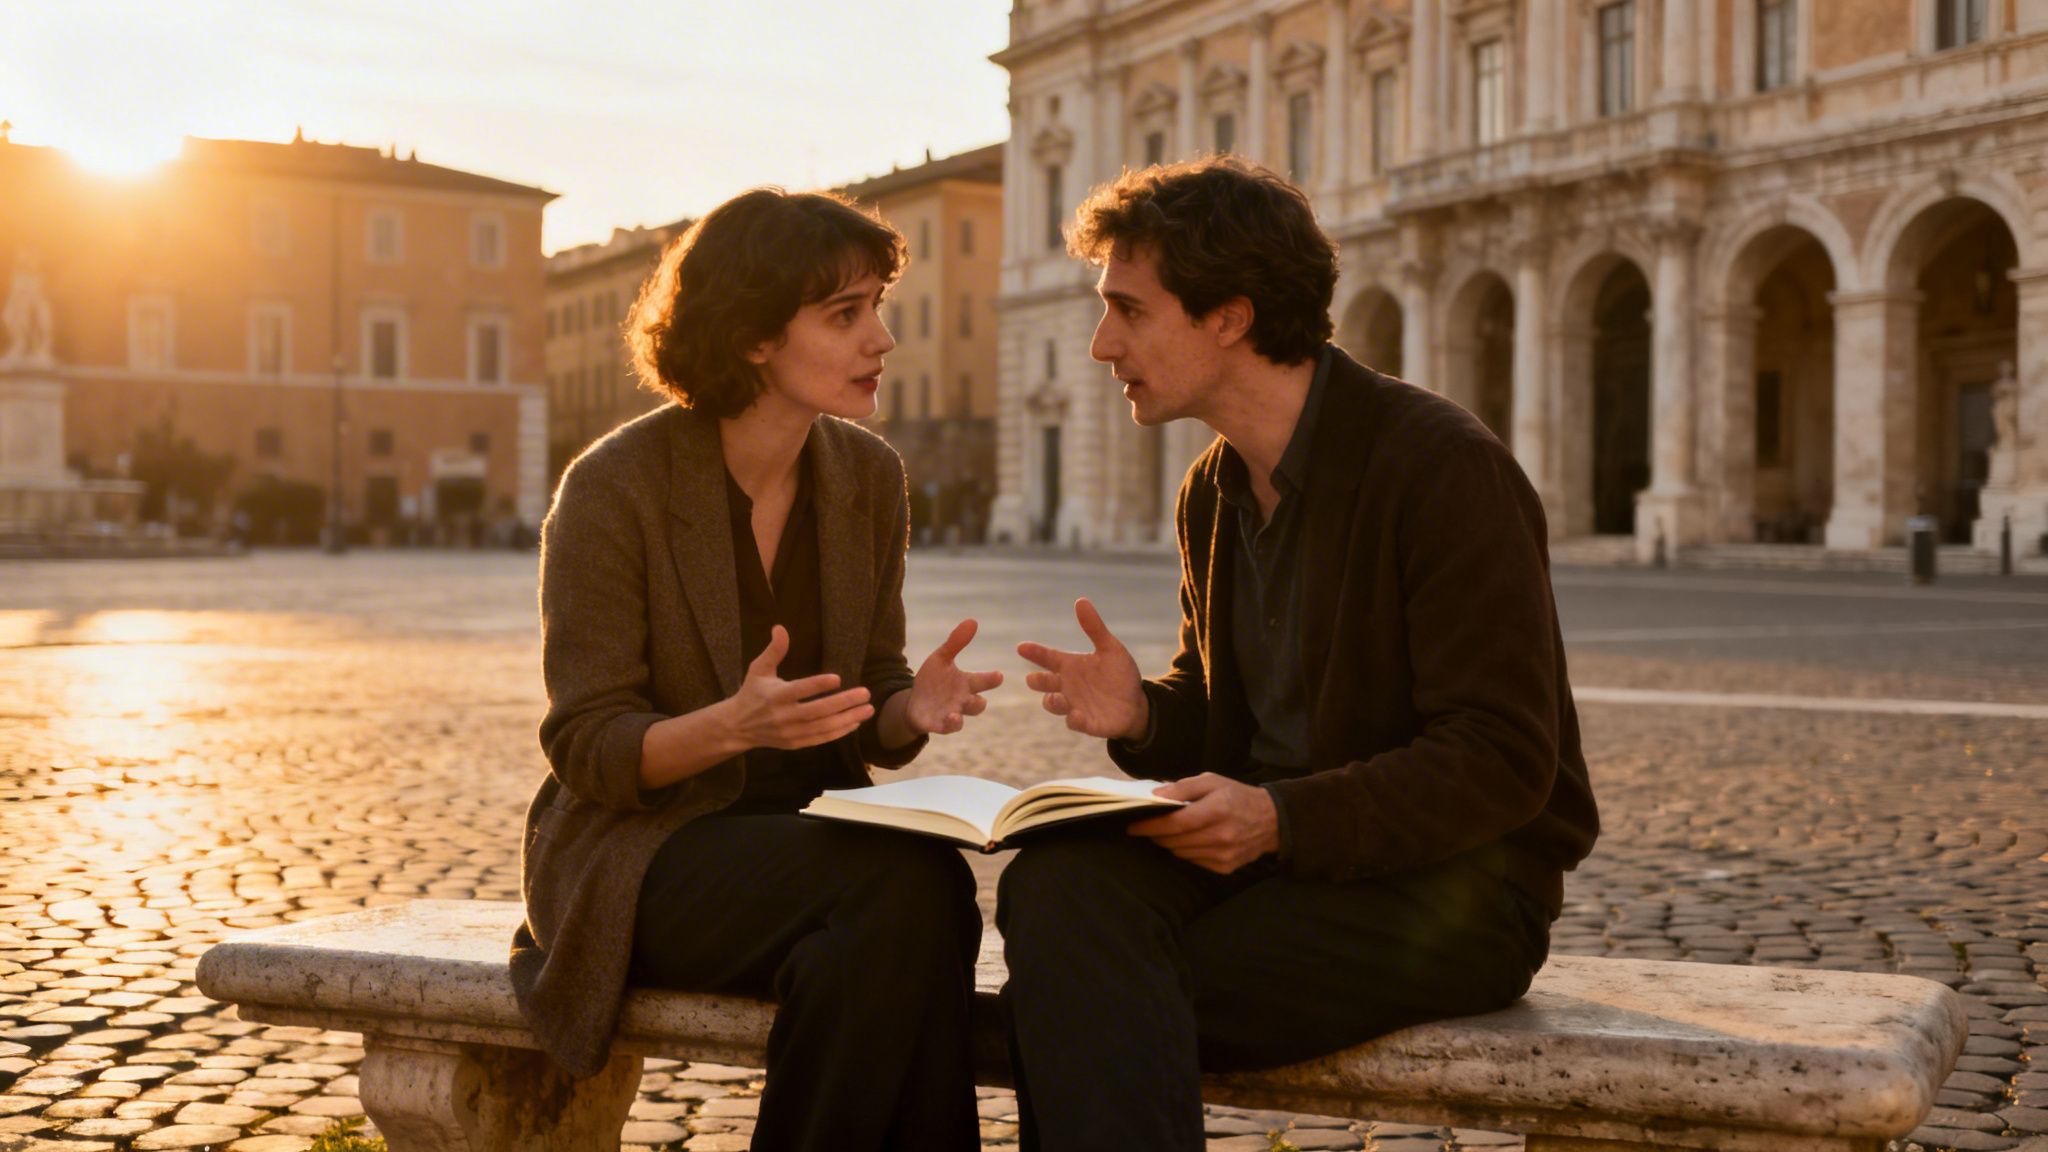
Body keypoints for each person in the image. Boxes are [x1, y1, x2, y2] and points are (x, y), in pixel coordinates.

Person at [1001, 156, 1600, 1150]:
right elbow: (1226, 712)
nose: (1102, 345)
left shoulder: (1442, 468)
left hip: (1452, 893)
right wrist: (1147, 714)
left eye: (1128, 310)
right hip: (1283, 866)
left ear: (1229, 317)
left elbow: (1500, 757)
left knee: (1091, 1000)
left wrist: (1280, 817)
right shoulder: (1212, 486)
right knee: (1052, 882)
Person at [510, 188, 1001, 1152]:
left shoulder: (868, 478)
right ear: (752, 338)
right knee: (901, 895)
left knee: (898, 921)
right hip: (644, 849)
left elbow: (868, 689)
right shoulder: (615, 487)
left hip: (814, 842)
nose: (883, 340)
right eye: (846, 315)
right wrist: (730, 727)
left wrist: (913, 711)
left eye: (880, 307)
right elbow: (586, 746)